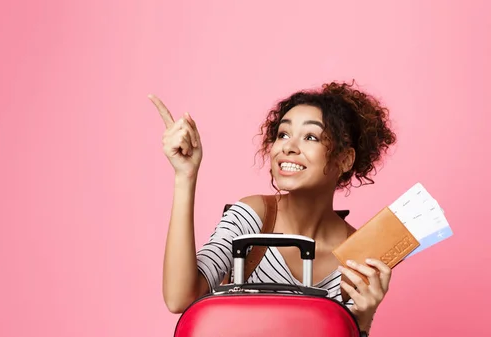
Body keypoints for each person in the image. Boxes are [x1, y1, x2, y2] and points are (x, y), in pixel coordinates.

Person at [148, 80, 397, 334]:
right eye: (283, 134)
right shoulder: (253, 216)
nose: (288, 147)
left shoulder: (358, 253)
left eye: (310, 137)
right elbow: (180, 298)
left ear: (345, 160)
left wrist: (363, 320)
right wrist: (185, 176)